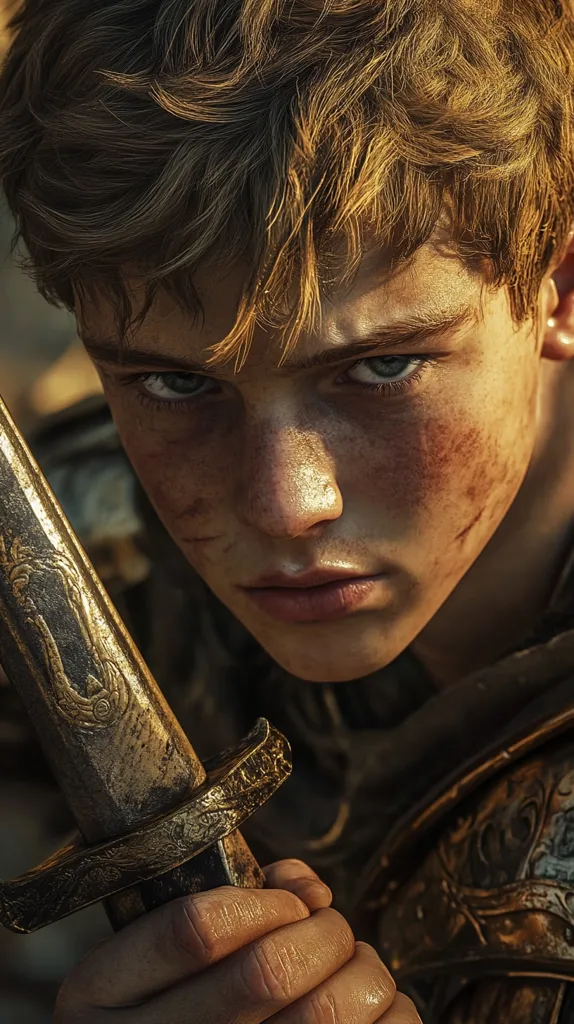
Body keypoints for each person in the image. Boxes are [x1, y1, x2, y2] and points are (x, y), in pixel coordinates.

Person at [2, 0, 574, 1019]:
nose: (284, 505)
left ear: (559, 290)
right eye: (176, 385)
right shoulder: (83, 558)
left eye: (381, 366)